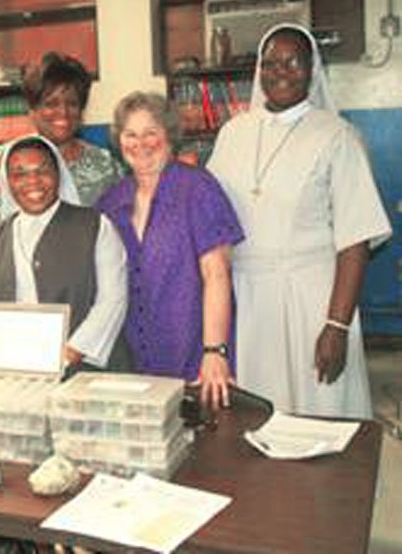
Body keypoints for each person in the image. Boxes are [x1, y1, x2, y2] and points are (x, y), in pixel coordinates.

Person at [207, 23, 392, 418]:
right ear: (259, 70)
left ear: (312, 69)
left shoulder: (337, 136)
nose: (281, 71)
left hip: (313, 298)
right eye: (270, 62)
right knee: (257, 416)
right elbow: (209, 217)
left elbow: (355, 240)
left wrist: (337, 326)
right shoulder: (232, 134)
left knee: (319, 412)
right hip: (248, 298)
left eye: (293, 62)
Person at [97, 92, 244, 409]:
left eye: (151, 132)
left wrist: (214, 353)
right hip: (133, 354)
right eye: (131, 135)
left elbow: (217, 273)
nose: (141, 143)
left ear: (169, 136)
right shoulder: (110, 202)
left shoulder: (198, 188)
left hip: (192, 348)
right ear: (119, 141)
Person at [0, 135, 128, 371]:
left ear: (59, 175)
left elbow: (112, 300)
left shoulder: (96, 226)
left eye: (43, 170)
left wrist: (69, 354)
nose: (33, 181)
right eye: (19, 174)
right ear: (7, 182)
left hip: (82, 371)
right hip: (13, 373)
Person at [0, 52, 123, 247]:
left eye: (72, 103)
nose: (63, 112)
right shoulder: (0, 164)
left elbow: (119, 237)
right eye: (51, 104)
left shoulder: (105, 167)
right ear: (32, 109)